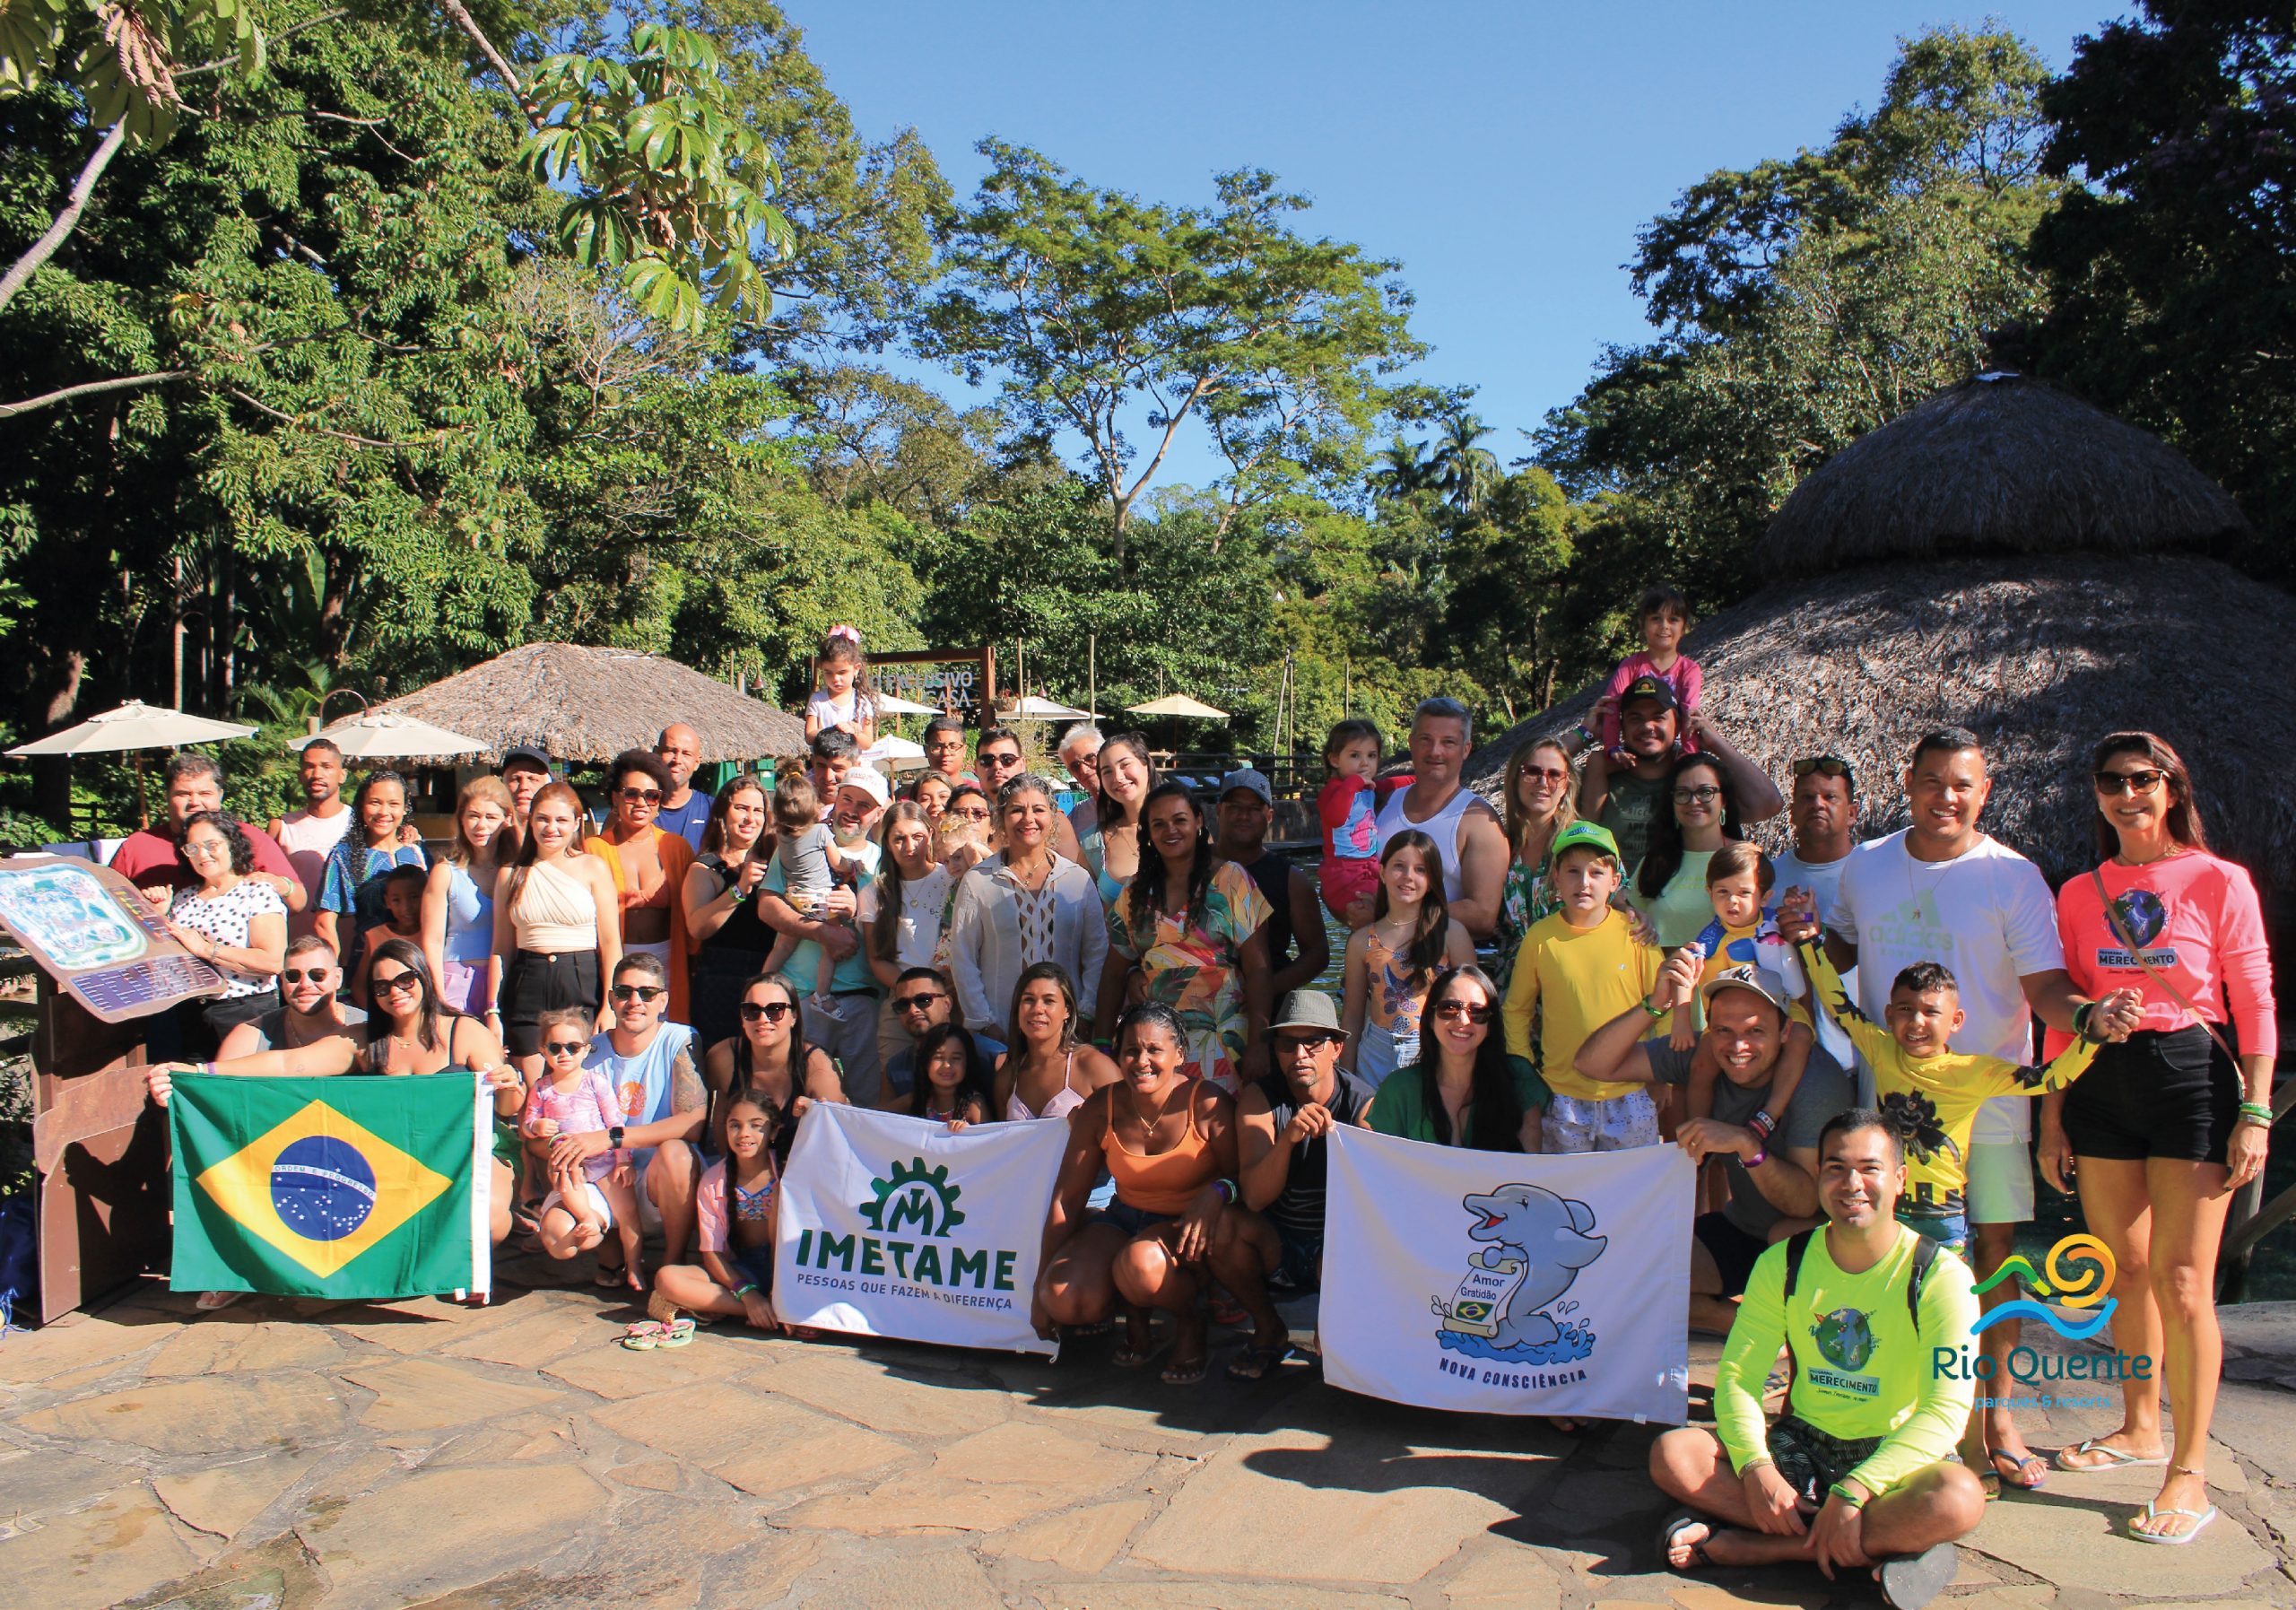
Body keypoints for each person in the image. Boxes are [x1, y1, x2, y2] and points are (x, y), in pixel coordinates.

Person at [1819, 728, 2116, 1492]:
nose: (1944, 797)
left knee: (1992, 1260)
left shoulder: (2013, 877)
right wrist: (1788, 939)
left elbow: (2046, 985)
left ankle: (1995, 1415)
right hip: (1889, 1109)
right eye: (1931, 782)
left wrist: (2084, 1019)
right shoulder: (1868, 863)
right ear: (1907, 781)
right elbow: (1845, 951)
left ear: (1984, 793)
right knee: (1882, 1257)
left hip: (1989, 1104)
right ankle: (1890, 1408)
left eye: (1962, 785)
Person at [2038, 733, 2275, 1541]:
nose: (2127, 793)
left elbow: (2254, 998)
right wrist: (2051, 1113)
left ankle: (2188, 1469)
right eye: (2111, 781)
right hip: (2100, 1079)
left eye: (2144, 779)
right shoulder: (2078, 890)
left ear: (2172, 787)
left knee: (2182, 1279)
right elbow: (2063, 1009)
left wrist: (2258, 1112)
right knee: (2126, 1266)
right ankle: (2139, 1427)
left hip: (2190, 1079)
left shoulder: (2219, 880)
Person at [1649, 1110, 1984, 1610]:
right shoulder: (1784, 1261)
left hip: (1893, 1453)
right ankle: (1869, 1543)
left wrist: (1855, 1490)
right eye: (1835, 1168)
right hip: (1802, 1443)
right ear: (1820, 1177)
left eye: (1870, 1168)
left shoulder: (1941, 1276)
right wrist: (1755, 1466)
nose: (1852, 1184)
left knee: (1958, 1497)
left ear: (1899, 1179)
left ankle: (1768, 1548)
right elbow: (1739, 1377)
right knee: (1675, 1454)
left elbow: (1945, 1413)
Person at [148, 940, 525, 1266]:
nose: (394, 991)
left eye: (404, 980)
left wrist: (509, 1083)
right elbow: (287, 1063)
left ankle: (460, 1262)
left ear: (424, 977)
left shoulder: (465, 1031)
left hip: (475, 1149)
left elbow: (508, 1108)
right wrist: (198, 1073)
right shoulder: (362, 1040)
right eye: (381, 986)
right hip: (403, 1158)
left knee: (489, 1223)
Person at [1578, 953, 1848, 1334]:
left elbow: (1804, 1204)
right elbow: (1592, 1063)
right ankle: (1779, 1331)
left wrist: (1746, 1145)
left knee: (1785, 1234)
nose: (1738, 1045)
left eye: (1755, 1031)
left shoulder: (1816, 1083)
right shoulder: (1704, 1055)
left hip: (1815, 1238)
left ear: (1785, 1032)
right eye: (1724, 1030)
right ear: (1711, 1030)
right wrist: (1656, 1005)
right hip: (1746, 1228)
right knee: (1640, 1281)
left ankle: (1805, 1329)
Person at [1033, 1002, 1283, 1385]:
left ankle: (1189, 1320)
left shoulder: (1209, 1103)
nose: (1141, 1061)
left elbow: (1243, 1182)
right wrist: (1038, 1292)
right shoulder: (1102, 1106)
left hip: (1191, 1229)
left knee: (1139, 1265)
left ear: (1179, 1054)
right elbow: (1067, 1199)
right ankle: (1132, 1312)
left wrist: (1216, 1191)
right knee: (1066, 1298)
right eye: (1131, 1050)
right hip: (1124, 1216)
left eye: (1154, 1050)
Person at [1095, 780, 1272, 1092]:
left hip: (1222, 1037)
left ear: (1199, 822)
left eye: (1179, 820)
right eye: (1158, 824)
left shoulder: (1231, 879)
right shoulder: (1136, 891)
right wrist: (1102, 1045)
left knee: (1216, 1127)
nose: (1170, 831)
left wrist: (1259, 1041)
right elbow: (1113, 972)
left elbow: (1258, 969)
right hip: (1154, 1042)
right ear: (1148, 832)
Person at [1502, 822, 1663, 1153]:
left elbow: (1666, 1006)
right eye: (1573, 872)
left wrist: (1662, 1074)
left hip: (1630, 1093)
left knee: (1628, 1194)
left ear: (1615, 881)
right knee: (1568, 1197)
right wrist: (1523, 1071)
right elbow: (1517, 1010)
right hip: (1562, 1098)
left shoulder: (1637, 936)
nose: (1584, 883)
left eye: (1596, 873)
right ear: (1556, 878)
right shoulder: (1540, 937)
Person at [555, 953, 713, 1270]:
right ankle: (610, 1248)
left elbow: (694, 1123)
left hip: (660, 1181)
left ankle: (673, 1264)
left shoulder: (681, 1039)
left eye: (647, 993)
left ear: (663, 1000)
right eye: (625, 992)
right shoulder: (588, 1049)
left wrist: (613, 1138)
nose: (635, 1001)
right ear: (612, 999)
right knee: (559, 1240)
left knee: (677, 1154)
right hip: (604, 1179)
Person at [756, 768, 890, 1105]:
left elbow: (898, 926)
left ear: (879, 813)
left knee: (864, 1103)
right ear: (834, 799)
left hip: (862, 1000)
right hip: (799, 998)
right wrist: (820, 932)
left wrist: (860, 909)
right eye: (847, 798)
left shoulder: (886, 860)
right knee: (797, 1102)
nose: (852, 810)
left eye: (864, 804)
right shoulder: (798, 837)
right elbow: (767, 907)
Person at [948, 774, 1108, 1049]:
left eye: (1038, 809)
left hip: (1066, 1034)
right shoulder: (978, 881)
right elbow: (963, 957)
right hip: (998, 1034)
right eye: (1017, 810)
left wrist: (1085, 1013)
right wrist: (985, 1023)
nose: (1028, 818)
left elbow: (1097, 952)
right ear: (1001, 818)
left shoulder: (1077, 880)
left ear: (1053, 818)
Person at [1239, 988, 1374, 1307]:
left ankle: (1332, 1336)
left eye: (1313, 1042)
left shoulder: (1363, 1104)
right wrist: (1288, 1138)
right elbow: (1255, 1199)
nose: (1300, 1054)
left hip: (1334, 1241)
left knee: (1357, 1251)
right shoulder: (1259, 1099)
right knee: (1225, 1232)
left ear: (1337, 1049)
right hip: (1277, 1237)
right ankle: (1266, 1330)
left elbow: (1370, 1206)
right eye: (1287, 1044)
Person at [1572, 674, 1782, 875]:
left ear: (1678, 723)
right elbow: (1541, 776)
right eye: (1635, 718)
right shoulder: (1597, 779)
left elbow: (1768, 804)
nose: (1647, 726)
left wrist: (1716, 743)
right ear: (1621, 726)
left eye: (1658, 717)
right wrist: (1583, 735)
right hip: (1616, 907)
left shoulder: (1698, 787)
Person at [492, 780, 621, 1067]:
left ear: (577, 823)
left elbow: (611, 943)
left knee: (577, 1083)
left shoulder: (593, 867)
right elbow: (501, 948)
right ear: (531, 821)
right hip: (527, 983)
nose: (552, 828)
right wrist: (492, 1009)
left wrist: (609, 1006)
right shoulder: (509, 874)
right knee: (532, 1086)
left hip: (580, 981)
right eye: (543, 819)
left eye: (561, 820)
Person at [524, 1004, 643, 1293]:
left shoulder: (594, 1082)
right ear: (543, 1050)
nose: (564, 1054)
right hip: (567, 1160)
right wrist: (536, 1127)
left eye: (573, 1047)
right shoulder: (541, 1088)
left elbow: (615, 1123)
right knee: (565, 1174)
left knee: (627, 1212)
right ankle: (586, 1217)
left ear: (587, 1049)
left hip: (603, 1158)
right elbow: (527, 1123)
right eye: (555, 1047)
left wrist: (623, 1159)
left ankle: (635, 1265)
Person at [1340, 831, 1475, 1087]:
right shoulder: (1361, 941)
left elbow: (1474, 1007)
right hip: (1375, 1054)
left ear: (1433, 879)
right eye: (1399, 867)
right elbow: (1352, 1015)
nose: (1408, 877)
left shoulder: (1451, 934)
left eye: (1420, 869)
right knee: (1372, 1125)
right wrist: (1345, 1079)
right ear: (1382, 872)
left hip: (1435, 1052)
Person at [1365, 965, 1546, 1152]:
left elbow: (1530, 1167)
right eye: (1449, 1008)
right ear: (1430, 1018)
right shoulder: (1399, 1089)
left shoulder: (1517, 1078)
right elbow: (1381, 1166)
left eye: (1477, 1011)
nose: (1463, 1020)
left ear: (1490, 1023)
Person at [1371, 697, 1508, 940]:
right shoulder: (1384, 803)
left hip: (1441, 965)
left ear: (1466, 749)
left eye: (1448, 742)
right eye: (1426, 740)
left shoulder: (1479, 822)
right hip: (1375, 962)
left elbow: (1483, 916)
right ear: (1411, 742)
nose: (1435, 752)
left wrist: (1396, 917)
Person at [648, 1093, 783, 1333]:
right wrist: (747, 1294)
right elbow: (712, 1253)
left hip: (786, 1270)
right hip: (743, 1271)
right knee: (667, 1279)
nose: (744, 1134)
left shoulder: (787, 1173)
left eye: (756, 1125)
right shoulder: (714, 1180)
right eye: (735, 1126)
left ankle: (773, 1306)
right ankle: (768, 1312)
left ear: (773, 1132)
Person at [110, 753, 304, 915]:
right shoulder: (138, 846)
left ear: (220, 795)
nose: (195, 802)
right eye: (183, 794)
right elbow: (106, 903)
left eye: (205, 794)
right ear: (167, 796)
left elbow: (298, 901)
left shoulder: (250, 838)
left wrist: (283, 885)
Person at [584, 749, 696, 1025]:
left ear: (659, 802)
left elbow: (692, 912)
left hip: (668, 962)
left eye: (651, 796)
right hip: (613, 965)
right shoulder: (594, 849)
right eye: (631, 793)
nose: (641, 802)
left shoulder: (676, 847)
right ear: (615, 797)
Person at [164, 811, 289, 1055]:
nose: (202, 854)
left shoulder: (257, 892)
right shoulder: (182, 899)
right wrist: (159, 914)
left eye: (212, 845)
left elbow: (273, 961)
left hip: (246, 1012)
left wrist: (206, 950)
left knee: (247, 1089)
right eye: (192, 848)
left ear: (232, 844)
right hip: (191, 1014)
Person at [700, 973, 847, 1154]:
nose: (763, 1019)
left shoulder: (818, 1066)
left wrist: (816, 1114)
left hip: (800, 1174)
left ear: (794, 1016)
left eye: (775, 1010)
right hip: (737, 1172)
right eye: (752, 1010)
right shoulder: (724, 1057)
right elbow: (708, 1115)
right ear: (742, 1017)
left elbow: (841, 1136)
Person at [865, 801, 957, 1089]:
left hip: (950, 996)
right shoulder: (874, 892)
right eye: (899, 839)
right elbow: (877, 959)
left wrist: (938, 993)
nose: (909, 846)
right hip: (900, 1003)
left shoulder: (951, 880)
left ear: (930, 835)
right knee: (897, 1085)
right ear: (888, 844)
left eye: (917, 836)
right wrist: (913, 994)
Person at [1214, 768, 1328, 997]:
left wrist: (1265, 989)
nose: (1244, 816)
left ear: (1269, 816)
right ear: (1219, 811)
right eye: (1234, 807)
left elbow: (1317, 953)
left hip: (1264, 1007)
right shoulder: (1190, 865)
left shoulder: (1291, 879)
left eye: (1255, 809)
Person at [683, 777, 777, 1053]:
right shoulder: (704, 869)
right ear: (724, 812)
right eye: (742, 808)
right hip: (720, 980)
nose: (750, 818)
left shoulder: (775, 863)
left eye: (757, 811)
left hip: (768, 976)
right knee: (723, 1069)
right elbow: (697, 928)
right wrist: (739, 889)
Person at [1629, 753, 1750, 949]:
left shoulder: (1746, 859)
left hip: (1729, 977)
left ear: (1724, 800)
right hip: (1662, 976)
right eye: (1683, 793)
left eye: (1705, 792)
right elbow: (1632, 920)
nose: (1694, 802)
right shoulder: (1655, 861)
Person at [316, 769, 425, 980]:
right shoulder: (344, 856)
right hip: (370, 967)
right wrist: (332, 974)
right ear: (361, 807)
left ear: (405, 809)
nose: (384, 812)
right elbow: (324, 923)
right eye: (375, 802)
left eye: (393, 804)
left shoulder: (417, 852)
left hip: (420, 961)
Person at [422, 776, 517, 1019]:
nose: (480, 825)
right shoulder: (446, 872)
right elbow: (432, 940)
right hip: (456, 980)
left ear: (507, 820)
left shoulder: (517, 871)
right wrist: (437, 994)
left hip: (508, 982)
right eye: (473, 815)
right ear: (461, 818)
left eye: (491, 817)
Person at [1493, 737, 1577, 987]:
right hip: (1511, 984)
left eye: (1554, 775)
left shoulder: (1582, 842)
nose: (1543, 782)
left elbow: (1620, 901)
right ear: (1515, 777)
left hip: (1566, 982)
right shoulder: (1499, 843)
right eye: (1532, 772)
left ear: (1566, 785)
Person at [995, 962, 1119, 1120]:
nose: (1038, 1009)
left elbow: (1130, 1126)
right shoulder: (1007, 1078)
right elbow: (1002, 1141)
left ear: (1067, 1010)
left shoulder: (1093, 1066)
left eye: (1048, 1001)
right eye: (1028, 1000)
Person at [1317, 718, 1407, 926]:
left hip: (1367, 868)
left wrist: (1416, 780)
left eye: (1371, 756)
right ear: (1334, 759)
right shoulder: (1333, 791)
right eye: (1355, 755)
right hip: (1343, 873)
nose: (1365, 763)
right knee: (1382, 911)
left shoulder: (1367, 788)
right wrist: (1353, 784)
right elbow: (1336, 818)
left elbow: (1389, 784)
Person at [216, 934, 367, 1057]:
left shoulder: (369, 1028)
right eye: (293, 976)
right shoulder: (249, 1038)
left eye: (317, 975)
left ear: (338, 978)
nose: (305, 984)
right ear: (282, 980)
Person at [1598, 582, 1703, 760]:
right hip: (1634, 746)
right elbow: (1612, 706)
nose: (1664, 626)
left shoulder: (1689, 670)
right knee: (1596, 762)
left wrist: (1689, 754)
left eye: (1673, 620)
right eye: (1656, 618)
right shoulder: (1630, 666)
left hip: (1670, 749)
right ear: (1643, 624)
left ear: (1684, 627)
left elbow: (1689, 712)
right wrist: (1612, 747)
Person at [268, 738, 351, 939]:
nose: (317, 775)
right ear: (300, 775)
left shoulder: (359, 825)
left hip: (351, 949)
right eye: (309, 767)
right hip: (296, 949)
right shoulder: (281, 827)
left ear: (342, 775)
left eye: (326, 767)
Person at [977, 725, 1085, 862]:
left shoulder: (1051, 821)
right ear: (976, 767)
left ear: (1022, 764)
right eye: (987, 761)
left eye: (1007, 759)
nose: (997, 766)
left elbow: (1075, 878)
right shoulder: (967, 816)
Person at [1771, 756, 1860, 926]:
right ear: (1792, 813)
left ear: (1851, 814)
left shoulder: (1871, 875)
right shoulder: (1767, 879)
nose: (1817, 804)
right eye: (1807, 797)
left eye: (1830, 796)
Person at [1075, 731, 1153, 908]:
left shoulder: (1184, 828)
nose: (1118, 777)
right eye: (1107, 771)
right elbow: (1085, 913)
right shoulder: (1093, 843)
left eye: (1125, 764)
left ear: (1146, 763)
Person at [883, 966, 968, 1108]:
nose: (913, 1010)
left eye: (923, 999)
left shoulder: (986, 1055)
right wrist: (913, 1100)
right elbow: (877, 1120)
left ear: (947, 1003)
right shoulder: (895, 1067)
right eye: (903, 1004)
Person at [351, 865, 427, 1010]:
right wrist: (377, 1017)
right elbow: (359, 986)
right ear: (387, 901)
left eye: (414, 897)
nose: (406, 907)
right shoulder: (375, 936)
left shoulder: (435, 936)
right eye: (397, 900)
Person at [906, 1022, 996, 1126]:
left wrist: (968, 1132)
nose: (947, 1065)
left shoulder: (973, 1105)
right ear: (925, 1061)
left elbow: (988, 1138)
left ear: (968, 1062)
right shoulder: (917, 1099)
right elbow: (883, 1118)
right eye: (939, 1057)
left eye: (956, 1058)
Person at [804, 625, 878, 751]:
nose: (835, 679)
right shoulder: (817, 700)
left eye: (842, 672)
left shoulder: (863, 702)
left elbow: (867, 743)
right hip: (825, 763)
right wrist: (834, 730)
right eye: (828, 672)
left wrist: (853, 731)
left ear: (856, 669)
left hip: (854, 767)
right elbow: (810, 736)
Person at [653, 723, 715, 851]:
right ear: (656, 754)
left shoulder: (713, 810)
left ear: (697, 762)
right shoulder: (636, 808)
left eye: (686, 754)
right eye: (671, 751)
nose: (677, 760)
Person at [1057, 724, 1103, 834]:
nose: (1083, 770)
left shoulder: (1134, 805)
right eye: (1075, 766)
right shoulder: (1077, 817)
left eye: (1090, 758)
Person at [500, 746, 553, 825]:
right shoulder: (489, 834)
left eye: (532, 779)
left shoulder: (555, 834)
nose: (523, 787)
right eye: (516, 779)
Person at [922, 715, 977, 790]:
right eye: (937, 746)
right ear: (926, 750)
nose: (945, 753)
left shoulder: (979, 794)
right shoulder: (913, 797)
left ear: (964, 750)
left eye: (953, 746)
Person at [807, 727, 859, 802]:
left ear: (855, 768)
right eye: (821, 767)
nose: (828, 778)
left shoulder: (869, 804)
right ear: (813, 762)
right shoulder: (798, 797)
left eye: (838, 768)